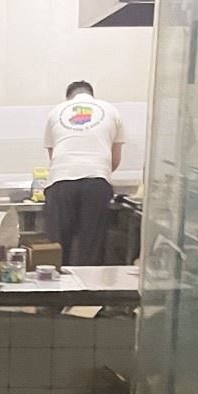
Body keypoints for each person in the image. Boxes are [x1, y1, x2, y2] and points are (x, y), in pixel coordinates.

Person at [42, 80, 123, 266]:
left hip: (61, 182)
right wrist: (95, 171)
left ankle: (58, 281)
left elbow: (53, 157)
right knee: (92, 248)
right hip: (97, 182)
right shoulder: (111, 110)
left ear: (69, 98)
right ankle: (89, 283)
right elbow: (115, 158)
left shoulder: (56, 111)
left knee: (57, 248)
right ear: (91, 95)